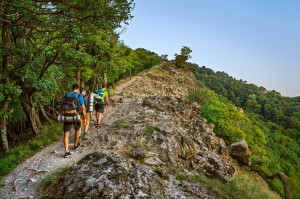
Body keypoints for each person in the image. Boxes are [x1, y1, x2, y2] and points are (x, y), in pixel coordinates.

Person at [63, 84, 86, 158]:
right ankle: (76, 145)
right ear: (78, 89)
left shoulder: (66, 95)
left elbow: (62, 105)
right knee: (78, 129)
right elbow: (83, 108)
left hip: (67, 115)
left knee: (66, 134)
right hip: (76, 115)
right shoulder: (79, 96)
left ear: (72, 88)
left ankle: (67, 151)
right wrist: (84, 118)